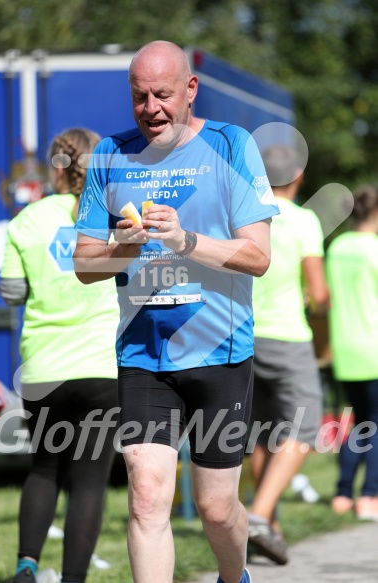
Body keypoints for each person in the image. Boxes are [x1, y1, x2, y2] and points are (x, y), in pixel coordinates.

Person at [73, 40, 279, 583]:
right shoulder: (110, 156)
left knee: (216, 508)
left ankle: (235, 577)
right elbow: (84, 265)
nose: (151, 109)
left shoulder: (230, 145)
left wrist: (185, 240)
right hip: (143, 354)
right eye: (140, 97)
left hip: (220, 351)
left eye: (162, 95)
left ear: (190, 90)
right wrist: (129, 247)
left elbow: (257, 257)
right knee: (145, 494)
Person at [0, 128, 119, 583]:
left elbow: (12, 294)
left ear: (56, 167)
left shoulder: (25, 220)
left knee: (46, 467)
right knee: (88, 481)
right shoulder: (111, 216)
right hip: (101, 365)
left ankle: (27, 565)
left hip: (43, 367)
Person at [247, 145, 329, 564]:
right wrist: (323, 330)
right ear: (298, 176)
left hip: (244, 335)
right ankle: (259, 516)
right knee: (306, 427)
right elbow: (318, 294)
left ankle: (270, 530)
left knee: (261, 434)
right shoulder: (303, 220)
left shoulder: (244, 212)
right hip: (287, 335)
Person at [326, 184, 378, 520]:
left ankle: (343, 493)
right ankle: (369, 496)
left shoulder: (338, 247)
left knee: (359, 423)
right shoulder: (374, 249)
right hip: (373, 346)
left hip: (343, 347)